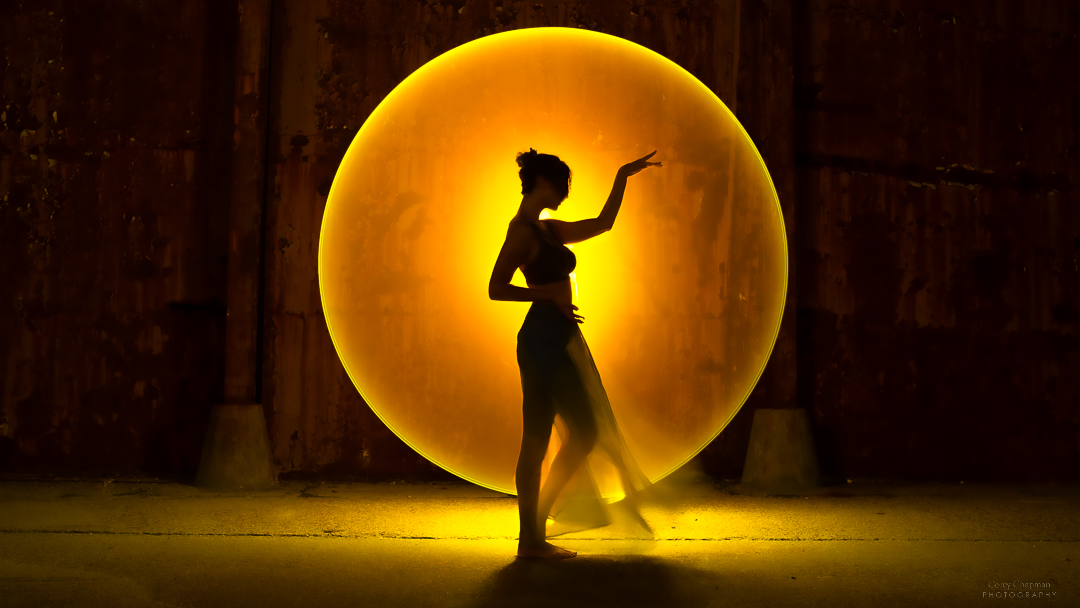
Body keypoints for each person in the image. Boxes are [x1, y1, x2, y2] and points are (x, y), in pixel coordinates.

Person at [488, 147, 662, 559]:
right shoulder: (521, 232)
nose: (565, 193)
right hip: (540, 339)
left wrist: (621, 176)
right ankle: (530, 535)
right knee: (554, 436)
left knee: (558, 435)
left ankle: (532, 535)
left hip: (557, 336)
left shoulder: (546, 229)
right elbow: (495, 288)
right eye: (561, 185)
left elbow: (603, 224)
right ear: (542, 183)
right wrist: (546, 292)